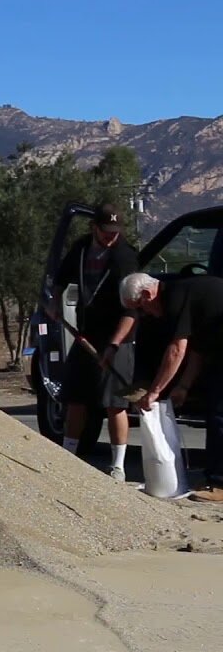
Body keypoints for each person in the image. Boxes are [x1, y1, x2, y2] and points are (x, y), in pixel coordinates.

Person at [47, 204, 139, 479]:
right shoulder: (82, 249)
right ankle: (68, 457)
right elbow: (60, 279)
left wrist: (113, 346)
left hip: (118, 337)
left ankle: (118, 466)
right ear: (94, 228)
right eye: (105, 231)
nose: (111, 236)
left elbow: (131, 311)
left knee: (115, 403)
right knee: (76, 398)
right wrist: (55, 301)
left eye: (115, 231)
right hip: (86, 333)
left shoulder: (125, 257)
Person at [120, 271, 223, 498]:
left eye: (139, 307)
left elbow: (177, 350)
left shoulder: (176, 299)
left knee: (219, 415)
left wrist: (153, 392)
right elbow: (198, 349)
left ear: (147, 294)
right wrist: (183, 386)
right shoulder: (185, 292)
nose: (144, 314)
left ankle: (219, 484)